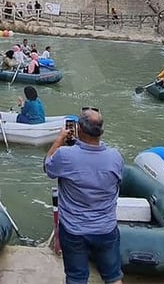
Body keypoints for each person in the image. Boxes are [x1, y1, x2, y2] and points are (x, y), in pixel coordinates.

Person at [45, 108, 124, 284]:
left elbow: (48, 167)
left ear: (78, 129)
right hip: (106, 228)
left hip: (74, 231)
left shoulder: (65, 155)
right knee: (113, 277)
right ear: (101, 131)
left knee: (77, 278)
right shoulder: (115, 157)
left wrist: (60, 139)